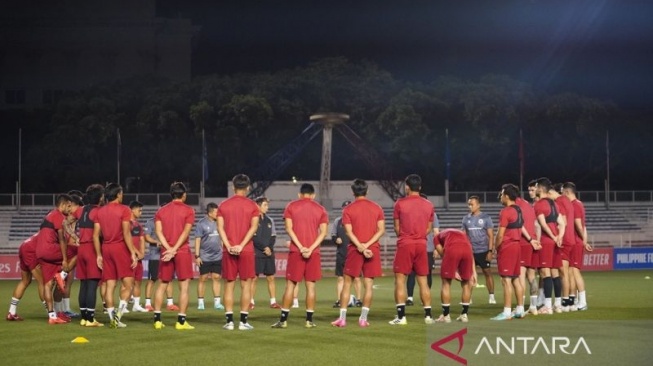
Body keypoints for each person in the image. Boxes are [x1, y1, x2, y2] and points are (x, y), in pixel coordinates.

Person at [272, 183, 328, 329]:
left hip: (296, 251)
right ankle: (309, 320)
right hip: (313, 252)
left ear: (299, 194)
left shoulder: (291, 206)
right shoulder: (320, 209)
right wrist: (310, 248)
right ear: (313, 195)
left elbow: (288, 229)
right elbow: (323, 233)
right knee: (311, 287)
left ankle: (283, 320)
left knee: (290, 285)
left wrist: (301, 246)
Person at [331, 179, 385, 327]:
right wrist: (367, 245)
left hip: (355, 248)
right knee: (368, 284)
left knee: (347, 283)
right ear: (367, 191)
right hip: (372, 248)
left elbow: (348, 232)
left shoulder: (348, 209)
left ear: (352, 192)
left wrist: (360, 246)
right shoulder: (377, 208)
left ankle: (342, 319)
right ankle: (363, 319)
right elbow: (381, 230)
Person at [389, 174, 434, 325]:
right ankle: (428, 316)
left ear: (407, 187)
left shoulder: (399, 204)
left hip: (405, 243)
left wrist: (406, 236)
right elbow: (429, 228)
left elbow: (396, 227)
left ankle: (401, 317)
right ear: (420, 187)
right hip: (421, 244)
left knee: (400, 280)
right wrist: (419, 235)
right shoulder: (428, 204)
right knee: (423, 281)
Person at [217, 174, 260, 331]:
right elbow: (253, 227)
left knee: (229, 285)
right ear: (248, 187)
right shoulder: (252, 205)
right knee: (246, 285)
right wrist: (241, 245)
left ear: (233, 187)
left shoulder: (223, 205)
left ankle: (229, 322)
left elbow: (220, 228)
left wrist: (229, 245)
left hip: (229, 250)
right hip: (246, 250)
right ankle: (243, 322)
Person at [94, 183, 138, 328]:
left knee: (110, 284)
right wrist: (132, 252)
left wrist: (99, 254)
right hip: (120, 248)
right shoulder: (124, 209)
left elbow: (96, 235)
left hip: (106, 248)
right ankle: (118, 316)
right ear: (118, 194)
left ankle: (112, 317)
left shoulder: (99, 211)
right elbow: (126, 233)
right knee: (128, 283)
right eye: (121, 193)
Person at [152, 182, 196, 330]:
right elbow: (185, 233)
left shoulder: (161, 211)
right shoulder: (189, 210)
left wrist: (168, 249)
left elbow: (158, 232)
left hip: (166, 251)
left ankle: (157, 320)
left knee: (162, 285)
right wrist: (175, 249)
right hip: (181, 251)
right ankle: (181, 322)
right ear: (183, 195)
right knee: (184, 287)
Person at [35, 193, 73, 324]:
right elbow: (62, 239)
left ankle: (52, 316)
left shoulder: (49, 215)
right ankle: (62, 275)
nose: (70, 209)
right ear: (62, 205)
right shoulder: (58, 215)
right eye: (68, 206)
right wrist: (64, 260)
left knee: (48, 284)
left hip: (40, 252)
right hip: (50, 249)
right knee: (81, 250)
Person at [491, 184, 525, 320]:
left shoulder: (505, 211)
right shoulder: (519, 210)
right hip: (517, 246)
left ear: (506, 196)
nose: (500, 195)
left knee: (506, 280)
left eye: (502, 193)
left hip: (507, 246)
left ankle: (506, 312)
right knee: (516, 279)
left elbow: (500, 234)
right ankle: (520, 310)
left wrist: (495, 247)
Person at [533, 178, 565, 314]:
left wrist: (552, 237)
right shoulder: (554, 204)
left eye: (535, 187)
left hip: (547, 241)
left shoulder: (539, 204)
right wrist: (559, 237)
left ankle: (547, 306)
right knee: (555, 273)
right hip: (556, 241)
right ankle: (557, 305)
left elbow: (542, 224)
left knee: (545, 272)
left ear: (540, 188)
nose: (534, 190)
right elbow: (562, 223)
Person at [75, 184, 105, 327]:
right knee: (92, 285)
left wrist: (73, 236)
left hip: (81, 249)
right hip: (92, 249)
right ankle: (90, 319)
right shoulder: (99, 211)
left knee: (84, 284)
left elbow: (65, 222)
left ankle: (83, 317)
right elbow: (99, 234)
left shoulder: (80, 210)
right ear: (100, 197)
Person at [433, 229, 477, 323]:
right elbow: (470, 252)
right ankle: (464, 315)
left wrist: (453, 271)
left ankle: (446, 316)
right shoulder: (461, 234)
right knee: (466, 283)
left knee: (446, 283)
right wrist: (474, 272)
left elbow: (443, 254)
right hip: (467, 251)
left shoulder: (436, 237)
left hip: (453, 250)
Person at [562, 182, 592, 311]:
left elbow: (579, 225)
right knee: (571, 272)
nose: (562, 195)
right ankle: (574, 301)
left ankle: (583, 301)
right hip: (576, 241)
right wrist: (585, 240)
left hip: (576, 242)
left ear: (568, 192)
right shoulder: (578, 204)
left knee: (574, 271)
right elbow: (584, 227)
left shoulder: (574, 205)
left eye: (563, 192)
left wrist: (584, 241)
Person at [407, 194, 439, 307]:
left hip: (423, 247)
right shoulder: (431, 214)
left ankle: (416, 298)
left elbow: (436, 232)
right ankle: (413, 298)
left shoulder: (428, 214)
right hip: (424, 247)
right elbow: (436, 232)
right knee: (419, 273)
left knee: (422, 273)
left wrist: (436, 248)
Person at [461, 196, 495, 304]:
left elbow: (490, 235)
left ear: (478, 205)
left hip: (483, 250)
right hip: (471, 252)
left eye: (472, 204)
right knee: (469, 274)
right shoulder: (466, 219)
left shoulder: (486, 218)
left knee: (487, 272)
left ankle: (491, 296)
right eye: (469, 204)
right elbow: (464, 236)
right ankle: (468, 298)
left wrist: (490, 251)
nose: (470, 206)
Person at [331, 200, 362, 308]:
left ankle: (358, 299)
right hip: (341, 253)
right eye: (344, 208)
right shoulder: (337, 221)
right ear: (342, 209)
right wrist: (336, 239)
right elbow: (333, 235)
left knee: (357, 278)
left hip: (354, 253)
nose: (346, 209)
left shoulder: (356, 220)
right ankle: (339, 300)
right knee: (340, 278)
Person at [7, 234, 45, 321]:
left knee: (25, 281)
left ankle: (11, 312)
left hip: (24, 246)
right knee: (43, 282)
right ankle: (51, 313)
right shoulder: (57, 230)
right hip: (31, 250)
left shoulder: (46, 228)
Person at [251, 196, 280, 310]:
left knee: (271, 277)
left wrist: (269, 248)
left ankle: (273, 302)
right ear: (257, 206)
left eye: (267, 205)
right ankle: (251, 301)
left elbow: (273, 236)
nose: (267, 207)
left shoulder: (270, 220)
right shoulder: (253, 219)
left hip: (269, 253)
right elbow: (253, 237)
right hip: (257, 253)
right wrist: (264, 248)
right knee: (254, 278)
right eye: (265, 205)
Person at [515, 188, 540, 316]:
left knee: (521, 276)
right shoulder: (530, 206)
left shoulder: (517, 206)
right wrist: (537, 241)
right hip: (534, 243)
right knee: (531, 276)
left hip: (525, 243)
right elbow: (536, 224)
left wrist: (530, 240)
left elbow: (520, 224)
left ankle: (520, 307)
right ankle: (533, 307)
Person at [142, 217, 177, 311]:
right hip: (155, 256)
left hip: (167, 256)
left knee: (169, 280)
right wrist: (156, 241)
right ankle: (148, 304)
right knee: (152, 279)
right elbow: (147, 237)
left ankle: (170, 303)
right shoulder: (150, 222)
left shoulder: (169, 222)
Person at [194, 202, 224, 311]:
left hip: (217, 256)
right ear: (210, 213)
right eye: (216, 211)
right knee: (203, 278)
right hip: (205, 256)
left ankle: (217, 303)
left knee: (216, 278)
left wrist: (224, 250)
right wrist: (197, 256)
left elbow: (221, 238)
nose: (218, 213)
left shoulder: (219, 222)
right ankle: (201, 302)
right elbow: (197, 240)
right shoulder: (201, 224)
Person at [551, 183, 575, 312]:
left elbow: (563, 222)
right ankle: (570, 301)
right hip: (571, 239)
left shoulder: (559, 202)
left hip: (564, 240)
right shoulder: (566, 200)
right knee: (568, 272)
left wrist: (557, 236)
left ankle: (564, 303)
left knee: (563, 273)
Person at [128, 201, 148, 312]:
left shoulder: (138, 225)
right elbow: (128, 240)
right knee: (128, 282)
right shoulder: (127, 224)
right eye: (139, 210)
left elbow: (141, 239)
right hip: (129, 256)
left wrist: (142, 253)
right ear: (132, 210)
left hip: (138, 257)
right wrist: (136, 252)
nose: (141, 212)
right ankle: (124, 305)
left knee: (138, 281)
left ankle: (136, 305)